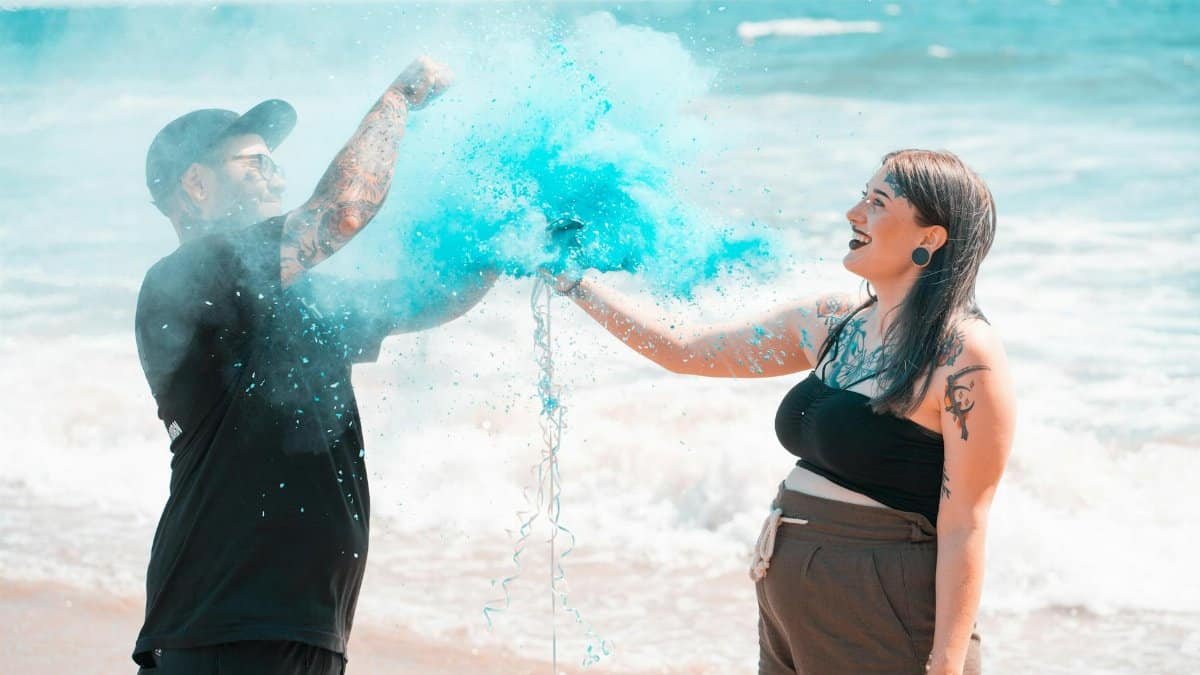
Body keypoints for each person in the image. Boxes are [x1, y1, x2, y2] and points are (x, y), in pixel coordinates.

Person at [547, 150, 1015, 674]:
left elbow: (964, 526)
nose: (854, 212)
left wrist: (947, 666)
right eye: (863, 194)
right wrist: (573, 280)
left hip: (884, 610)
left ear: (929, 238)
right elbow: (685, 348)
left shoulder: (963, 356)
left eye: (878, 202)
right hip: (790, 601)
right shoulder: (831, 322)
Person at [133, 57, 494, 673]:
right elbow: (341, 213)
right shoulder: (189, 278)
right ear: (196, 184)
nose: (276, 178)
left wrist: (513, 248)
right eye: (256, 164)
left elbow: (417, 300)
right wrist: (399, 101)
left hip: (296, 627)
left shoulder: (286, 297)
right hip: (225, 626)